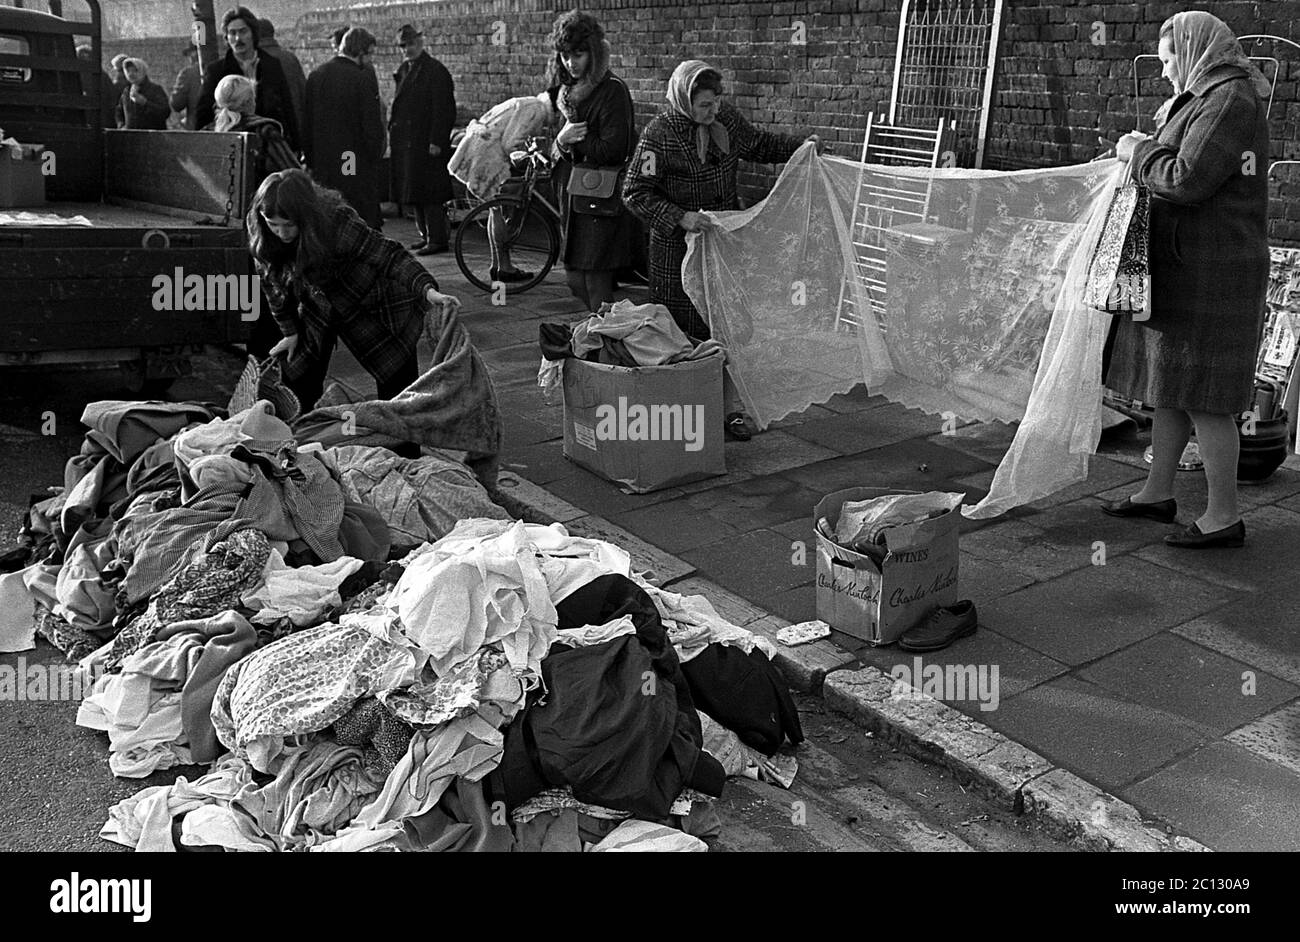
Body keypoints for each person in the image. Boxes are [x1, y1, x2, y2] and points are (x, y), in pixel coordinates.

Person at [1102, 11, 1271, 549]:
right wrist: (1147, 145)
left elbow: (1186, 179)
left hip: (1213, 272)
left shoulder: (1227, 102)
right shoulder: (1204, 97)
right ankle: (1157, 493)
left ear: (1196, 51)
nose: (1164, 69)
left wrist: (1139, 152)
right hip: (1187, 265)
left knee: (1208, 398)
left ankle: (1224, 516)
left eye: (1170, 57)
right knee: (1171, 388)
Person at [623, 60, 821, 440]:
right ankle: (681, 414)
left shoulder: (725, 122)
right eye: (704, 106)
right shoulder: (657, 136)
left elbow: (759, 144)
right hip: (676, 253)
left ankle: (729, 410)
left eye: (715, 103)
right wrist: (679, 216)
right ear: (683, 100)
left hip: (722, 247)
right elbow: (634, 193)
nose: (713, 111)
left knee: (727, 327)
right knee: (683, 333)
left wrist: (801, 146)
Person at [247, 169, 464, 417]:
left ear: (306, 215)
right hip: (319, 304)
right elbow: (272, 286)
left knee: (397, 389)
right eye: (273, 224)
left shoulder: (336, 222)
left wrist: (428, 290)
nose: (282, 233)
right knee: (298, 376)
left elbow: (389, 255)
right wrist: (290, 332)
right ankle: (300, 439)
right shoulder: (262, 233)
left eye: (289, 225)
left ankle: (404, 448)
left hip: (377, 302)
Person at [546, 10, 638, 312]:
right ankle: (609, 331)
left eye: (579, 54)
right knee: (574, 279)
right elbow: (557, 145)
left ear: (594, 53)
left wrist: (576, 138)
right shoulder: (567, 95)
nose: (571, 63)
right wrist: (563, 138)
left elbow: (615, 149)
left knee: (596, 283)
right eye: (565, 55)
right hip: (573, 198)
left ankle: (608, 342)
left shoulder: (612, 91)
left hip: (601, 198)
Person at [208, 74, 300, 359]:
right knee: (270, 294)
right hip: (262, 229)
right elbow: (292, 176)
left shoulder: (209, 132)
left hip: (222, 226)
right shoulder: (265, 132)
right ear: (251, 101)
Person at [448, 88, 559, 280]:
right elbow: (511, 143)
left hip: (480, 148)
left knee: (495, 209)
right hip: (487, 155)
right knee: (497, 208)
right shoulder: (536, 110)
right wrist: (526, 156)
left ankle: (498, 265)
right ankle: (504, 267)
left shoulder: (529, 102)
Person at [303, 27, 386, 229]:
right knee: (354, 203)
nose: (370, 59)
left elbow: (306, 121)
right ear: (359, 52)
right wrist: (374, 155)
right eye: (370, 53)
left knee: (330, 208)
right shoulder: (361, 78)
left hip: (324, 160)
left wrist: (311, 158)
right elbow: (371, 124)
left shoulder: (316, 75)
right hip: (351, 157)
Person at [389, 24, 456, 256]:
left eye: (411, 44)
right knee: (415, 191)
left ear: (420, 42)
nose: (407, 49)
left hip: (426, 142)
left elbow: (444, 109)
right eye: (403, 46)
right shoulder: (406, 69)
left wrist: (437, 140)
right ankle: (425, 235)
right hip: (409, 142)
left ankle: (437, 238)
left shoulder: (434, 71)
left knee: (430, 194)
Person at [195, 7, 299, 150]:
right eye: (232, 33)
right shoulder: (216, 71)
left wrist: (295, 145)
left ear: (253, 34)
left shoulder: (271, 65)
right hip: (231, 148)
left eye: (243, 31)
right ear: (227, 38)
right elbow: (202, 116)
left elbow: (287, 108)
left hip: (268, 147)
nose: (238, 39)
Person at [257, 18, 306, 140]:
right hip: (294, 129)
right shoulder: (290, 58)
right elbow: (303, 94)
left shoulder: (254, 61)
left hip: (267, 132)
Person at [115, 58, 170, 130]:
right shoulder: (127, 91)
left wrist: (145, 103)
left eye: (135, 70)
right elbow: (119, 111)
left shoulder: (155, 89)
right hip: (131, 138)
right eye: (128, 71)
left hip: (152, 137)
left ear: (142, 71)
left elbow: (165, 112)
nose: (131, 74)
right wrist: (121, 126)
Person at [170, 44, 202, 130]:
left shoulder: (188, 73)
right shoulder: (221, 68)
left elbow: (177, 104)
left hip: (197, 129)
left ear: (194, 54)